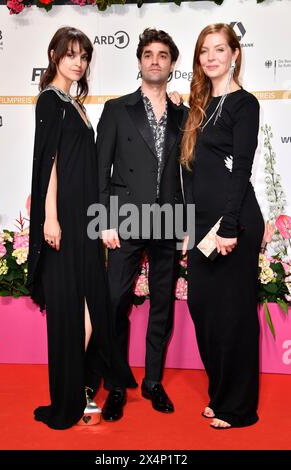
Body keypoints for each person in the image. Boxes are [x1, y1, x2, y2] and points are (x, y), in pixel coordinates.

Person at [96, 28, 186, 421]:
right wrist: (104, 220)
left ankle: (152, 380)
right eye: (148, 54)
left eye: (162, 55)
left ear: (171, 64)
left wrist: (186, 224)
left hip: (168, 216)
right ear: (139, 61)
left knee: (162, 303)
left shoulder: (185, 114)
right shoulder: (117, 109)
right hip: (126, 216)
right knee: (115, 301)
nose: (154, 60)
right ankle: (116, 383)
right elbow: (101, 170)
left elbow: (189, 174)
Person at [27, 26, 114, 429]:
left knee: (91, 302)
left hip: (87, 215)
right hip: (65, 216)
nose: (78, 62)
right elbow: (50, 162)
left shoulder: (75, 102)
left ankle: (76, 382)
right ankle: (68, 396)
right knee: (67, 307)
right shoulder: (49, 100)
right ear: (53, 54)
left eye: (83, 56)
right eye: (71, 54)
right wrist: (50, 216)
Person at [181, 23, 264, 429]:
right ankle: (220, 391)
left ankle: (238, 407)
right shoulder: (198, 106)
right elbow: (194, 175)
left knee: (234, 317)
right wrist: (186, 227)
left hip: (234, 223)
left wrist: (229, 226)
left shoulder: (244, 104)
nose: (211, 57)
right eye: (204, 51)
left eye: (219, 49)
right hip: (200, 227)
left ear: (234, 54)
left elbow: (241, 170)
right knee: (204, 311)